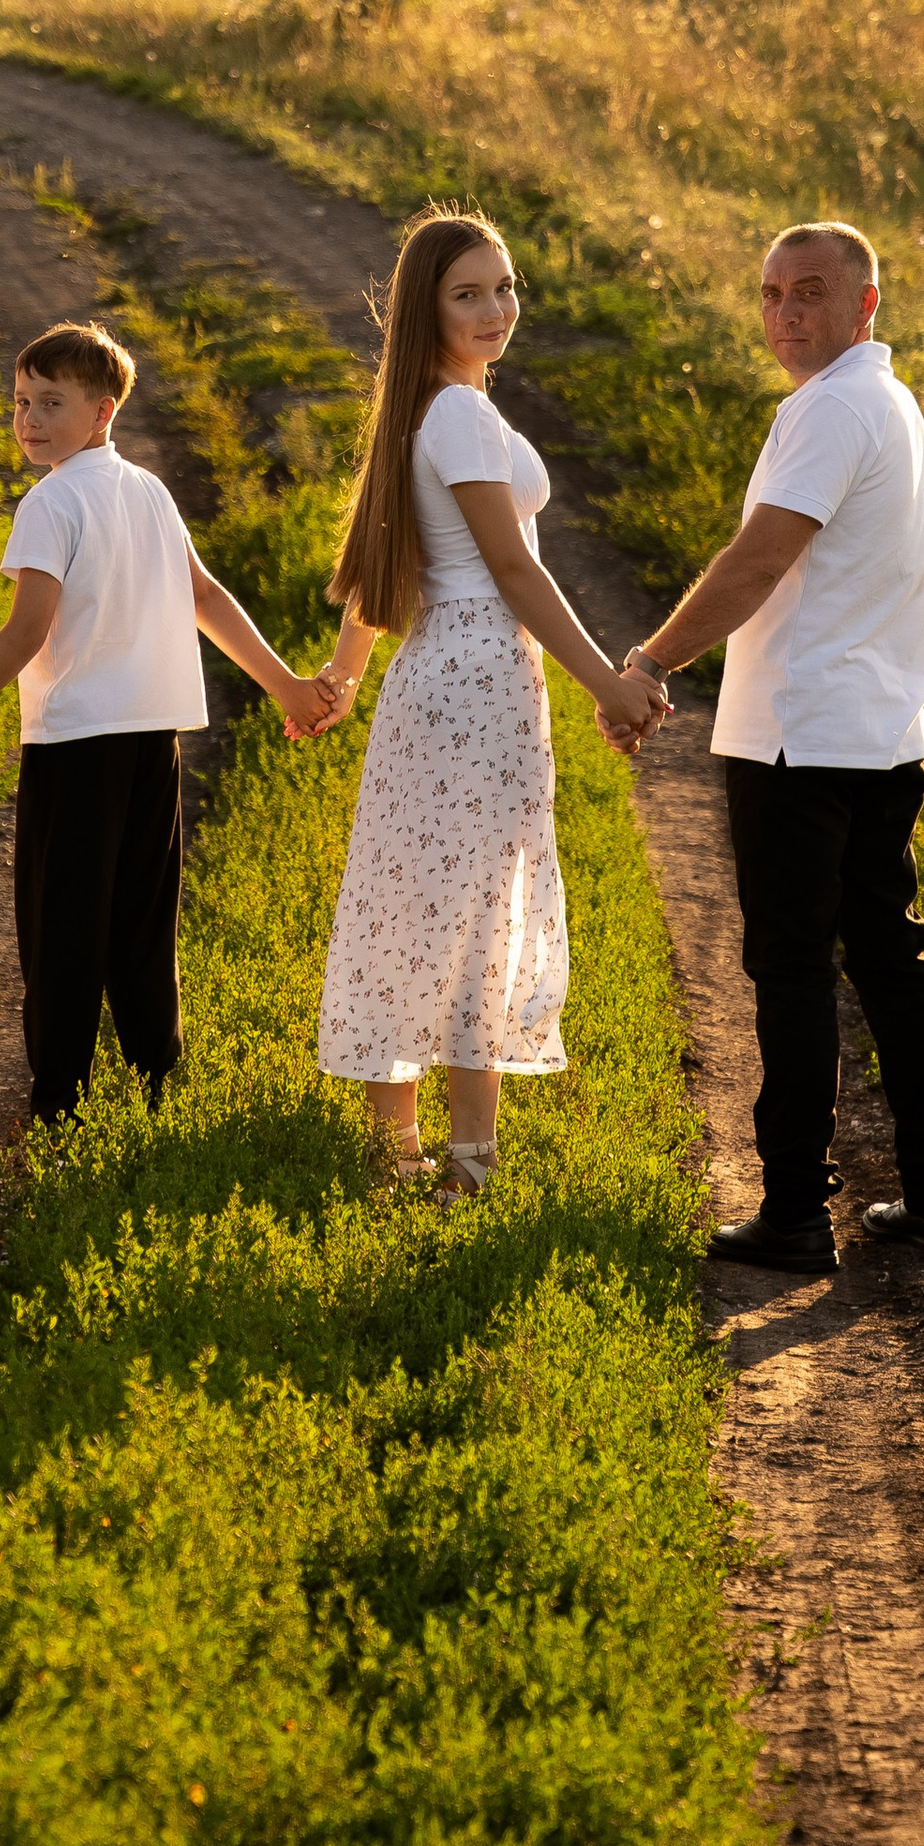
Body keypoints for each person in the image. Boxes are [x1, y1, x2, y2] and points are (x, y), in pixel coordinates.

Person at [618, 219, 924, 1272]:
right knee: (892, 963)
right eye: (770, 293)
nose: (784, 313)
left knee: (791, 970)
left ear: (866, 304)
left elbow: (757, 558)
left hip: (800, 743)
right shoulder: (892, 406)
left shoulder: (829, 410)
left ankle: (792, 1216)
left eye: (808, 292)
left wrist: (651, 661)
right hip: (878, 736)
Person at [307, 208, 665, 1192]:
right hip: (474, 673)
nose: (496, 307)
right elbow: (509, 566)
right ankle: (466, 1162)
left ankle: (401, 1153)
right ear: (426, 308)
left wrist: (343, 673)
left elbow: (391, 569)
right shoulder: (456, 414)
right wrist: (610, 682)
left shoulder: (436, 406)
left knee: (419, 903)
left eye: (504, 287)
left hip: (448, 674)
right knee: (466, 908)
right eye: (469, 292)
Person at [0, 320, 333, 1123]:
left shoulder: (49, 503)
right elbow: (203, 596)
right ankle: (155, 1085)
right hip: (153, 743)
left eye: (51, 403)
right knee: (142, 920)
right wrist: (283, 684)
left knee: (62, 927)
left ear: (103, 411)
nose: (29, 420)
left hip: (76, 749)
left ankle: (59, 1102)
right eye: (20, 402)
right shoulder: (147, 489)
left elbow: (28, 628)